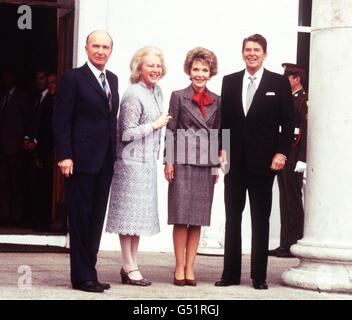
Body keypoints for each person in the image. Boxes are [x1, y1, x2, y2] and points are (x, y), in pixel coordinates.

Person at [215, 34, 294, 290]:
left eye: (256, 50)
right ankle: (230, 274)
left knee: (260, 219)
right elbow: (224, 122)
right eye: (247, 49)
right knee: (232, 218)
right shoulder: (229, 82)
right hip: (234, 164)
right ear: (242, 53)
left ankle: (258, 276)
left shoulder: (279, 83)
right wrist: (222, 151)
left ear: (264, 54)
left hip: (265, 164)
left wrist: (281, 153)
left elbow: (288, 123)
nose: (252, 54)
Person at [53, 30, 119, 293]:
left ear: (110, 51)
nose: (100, 51)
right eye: (96, 46)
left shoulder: (112, 79)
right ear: (86, 48)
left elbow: (108, 120)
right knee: (80, 218)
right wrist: (65, 155)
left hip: (104, 161)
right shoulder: (73, 78)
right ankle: (81, 278)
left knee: (95, 219)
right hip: (79, 160)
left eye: (105, 47)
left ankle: (89, 271)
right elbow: (61, 119)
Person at [106, 46, 170, 286]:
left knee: (138, 218)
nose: (155, 69)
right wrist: (154, 125)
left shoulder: (157, 91)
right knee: (128, 218)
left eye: (157, 65)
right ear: (139, 68)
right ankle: (129, 265)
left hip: (146, 164)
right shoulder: (133, 93)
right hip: (130, 164)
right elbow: (125, 132)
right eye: (150, 65)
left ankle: (131, 264)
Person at [164, 47, 221, 287]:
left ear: (211, 73)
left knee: (197, 219)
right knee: (180, 217)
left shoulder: (218, 100)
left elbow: (220, 132)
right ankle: (179, 267)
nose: (200, 74)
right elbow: (170, 129)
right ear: (189, 71)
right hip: (182, 161)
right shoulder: (178, 96)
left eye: (204, 70)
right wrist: (168, 161)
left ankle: (190, 267)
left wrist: (219, 166)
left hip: (206, 163)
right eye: (196, 69)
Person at [269, 63, 308, 258]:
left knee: (292, 199)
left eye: (288, 78)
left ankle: (294, 241)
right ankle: (285, 243)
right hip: (286, 154)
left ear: (296, 79)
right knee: (284, 199)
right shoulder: (289, 99)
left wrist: (303, 158)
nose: (285, 81)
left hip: (295, 155)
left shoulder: (303, 100)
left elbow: (307, 130)